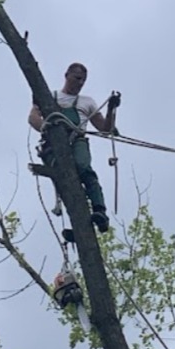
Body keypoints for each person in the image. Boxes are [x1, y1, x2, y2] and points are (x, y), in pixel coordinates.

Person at [29, 63, 120, 233]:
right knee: (65, 181)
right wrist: (45, 128)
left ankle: (100, 211)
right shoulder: (50, 97)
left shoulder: (87, 102)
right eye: (77, 78)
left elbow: (105, 129)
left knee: (83, 167)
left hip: (77, 139)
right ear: (67, 75)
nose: (80, 83)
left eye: (83, 80)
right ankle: (78, 227)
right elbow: (33, 117)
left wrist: (111, 109)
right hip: (53, 144)